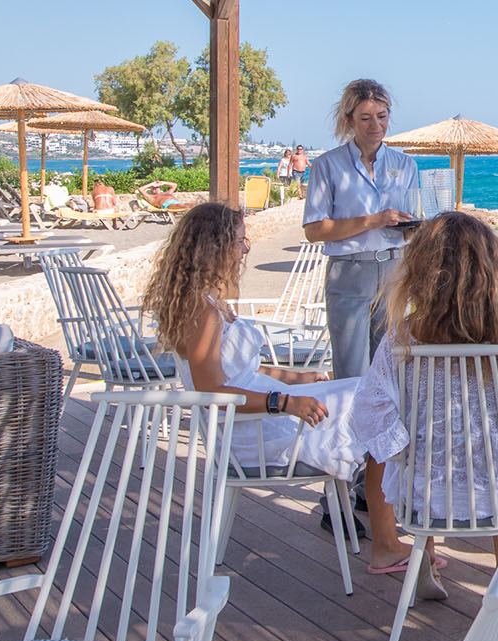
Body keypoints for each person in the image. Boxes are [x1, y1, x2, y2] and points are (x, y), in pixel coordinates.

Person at [349, 212, 498, 596]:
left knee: (426, 447)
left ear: (422, 270)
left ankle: (426, 557)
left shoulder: (403, 339)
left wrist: (403, 450)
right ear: (493, 269)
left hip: (425, 495)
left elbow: (370, 409)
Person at [145, 201, 361, 477]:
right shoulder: (202, 312)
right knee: (370, 401)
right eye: (238, 241)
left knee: (364, 391)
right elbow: (211, 393)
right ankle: (379, 508)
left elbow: (243, 372)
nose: (245, 249)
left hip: (258, 412)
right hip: (253, 432)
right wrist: (284, 402)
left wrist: (298, 377)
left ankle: (357, 506)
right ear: (213, 248)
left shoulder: (212, 301)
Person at [302, 80, 419, 382]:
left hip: (394, 271)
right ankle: (348, 429)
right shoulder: (327, 166)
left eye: (381, 116)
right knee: (351, 371)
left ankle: (387, 430)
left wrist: (417, 228)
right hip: (349, 271)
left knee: (390, 370)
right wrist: (372, 220)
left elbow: (410, 224)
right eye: (365, 118)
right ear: (349, 119)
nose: (375, 125)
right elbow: (314, 230)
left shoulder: (405, 165)